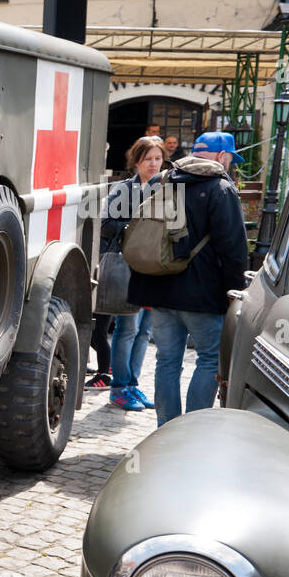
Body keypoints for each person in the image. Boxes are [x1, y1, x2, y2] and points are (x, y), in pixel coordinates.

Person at [127, 132, 249, 426]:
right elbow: (233, 248)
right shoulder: (221, 188)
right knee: (208, 360)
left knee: (167, 360)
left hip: (159, 287)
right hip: (203, 295)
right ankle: (191, 431)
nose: (231, 163)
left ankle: (166, 428)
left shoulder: (162, 180)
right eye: (230, 158)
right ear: (222, 156)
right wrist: (235, 290)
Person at [101, 137, 164, 410]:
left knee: (144, 331)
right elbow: (106, 223)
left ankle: (133, 385)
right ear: (137, 161)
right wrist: (136, 229)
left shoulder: (167, 189)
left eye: (158, 159)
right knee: (127, 329)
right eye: (148, 159)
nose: (153, 164)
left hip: (157, 268)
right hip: (129, 266)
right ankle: (119, 388)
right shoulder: (124, 189)